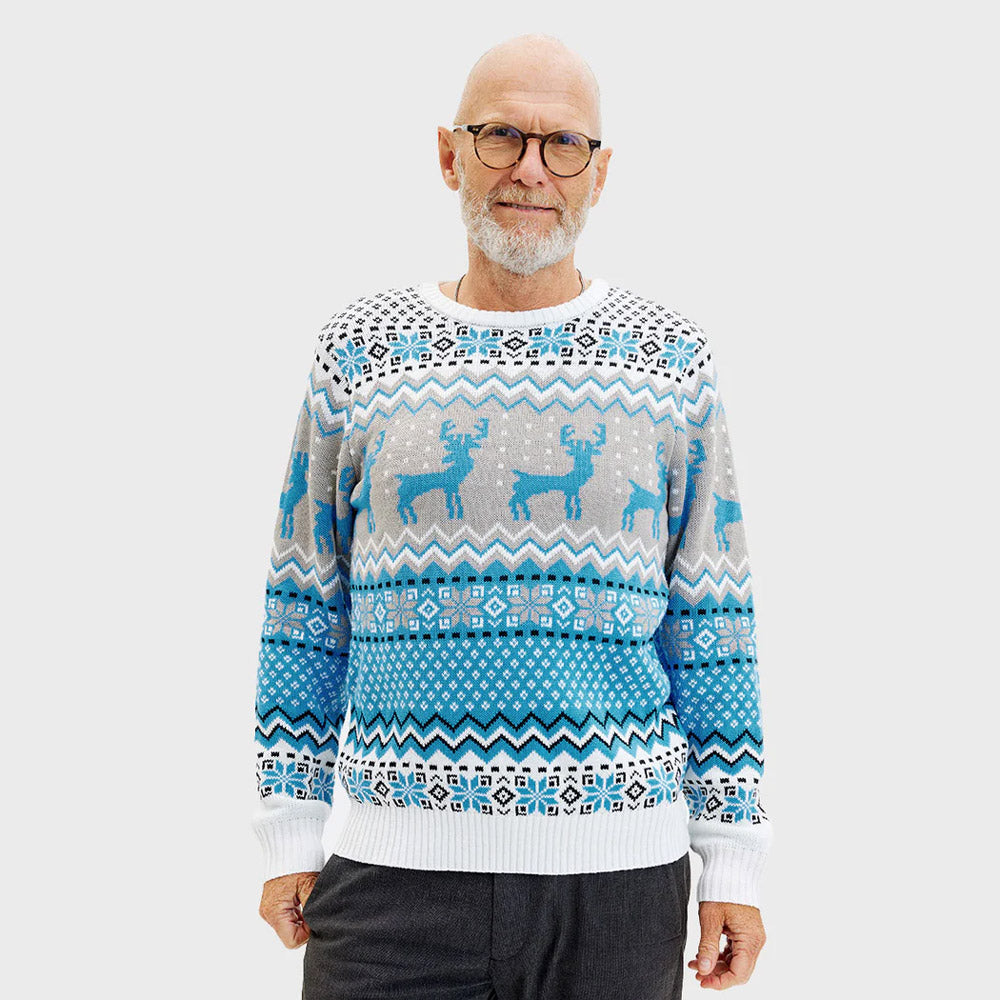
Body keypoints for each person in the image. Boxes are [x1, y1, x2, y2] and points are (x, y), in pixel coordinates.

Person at [253, 32, 772, 999]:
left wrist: (731, 859)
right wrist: (290, 827)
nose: (531, 169)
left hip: (619, 888)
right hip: (390, 886)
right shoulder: (359, 352)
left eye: (563, 144)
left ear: (599, 173)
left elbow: (712, 618)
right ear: (448, 155)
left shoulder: (672, 363)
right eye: (501, 136)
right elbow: (305, 603)